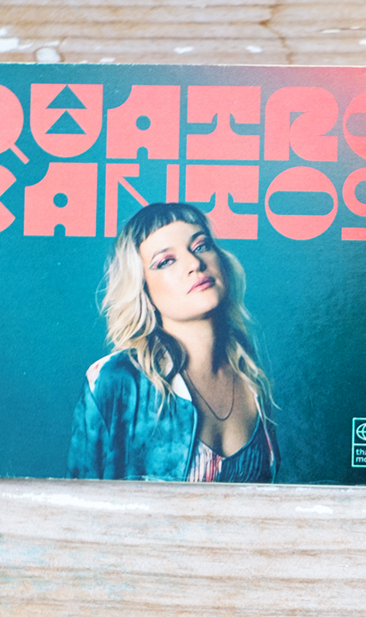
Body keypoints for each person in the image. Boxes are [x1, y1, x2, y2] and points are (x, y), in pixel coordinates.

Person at [67, 202, 279, 482]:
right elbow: (77, 501)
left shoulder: (253, 378)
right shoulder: (116, 381)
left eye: (201, 246)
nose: (195, 263)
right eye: (166, 261)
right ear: (143, 289)